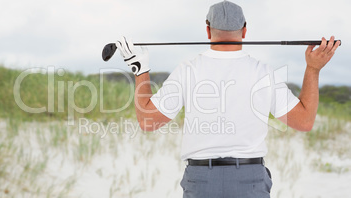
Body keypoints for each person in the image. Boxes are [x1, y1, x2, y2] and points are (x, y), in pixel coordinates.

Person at [115, 1, 340, 197]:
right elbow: (304, 121)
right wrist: (313, 69)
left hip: (201, 180)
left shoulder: (187, 70)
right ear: (244, 31)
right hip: (250, 181)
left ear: (207, 30)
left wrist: (140, 69)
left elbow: (147, 121)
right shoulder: (263, 72)